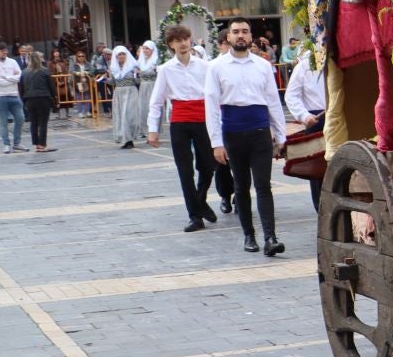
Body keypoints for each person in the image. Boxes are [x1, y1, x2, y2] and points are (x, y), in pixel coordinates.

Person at [205, 18, 287, 256]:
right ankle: (249, 235)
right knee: (241, 187)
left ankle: (270, 237)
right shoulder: (216, 67)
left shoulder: (262, 66)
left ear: (251, 36)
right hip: (233, 133)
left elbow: (273, 101)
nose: (240, 35)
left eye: (245, 31)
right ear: (228, 37)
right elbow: (211, 106)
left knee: (264, 186)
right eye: (236, 32)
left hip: (260, 132)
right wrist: (216, 143)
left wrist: (281, 135)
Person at [146, 25, 221, 232]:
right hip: (179, 120)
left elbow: (215, 96)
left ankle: (200, 199)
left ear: (190, 41)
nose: (183, 43)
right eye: (178, 40)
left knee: (208, 165)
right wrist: (153, 129)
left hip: (202, 118)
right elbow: (157, 100)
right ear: (171, 44)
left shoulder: (205, 66)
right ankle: (195, 215)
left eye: (186, 39)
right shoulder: (166, 69)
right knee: (185, 169)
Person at [285, 51, 329, 214]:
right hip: (316, 119)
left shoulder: (340, 58)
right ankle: (321, 209)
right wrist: (304, 115)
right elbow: (291, 96)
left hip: (339, 114)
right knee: (318, 166)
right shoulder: (305, 65)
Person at [108, 45, 147, 148]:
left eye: (123, 54)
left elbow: (138, 81)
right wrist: (103, 79)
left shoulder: (133, 66)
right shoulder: (113, 68)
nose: (121, 56)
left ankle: (130, 138)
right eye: (119, 54)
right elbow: (112, 82)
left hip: (131, 92)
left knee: (129, 115)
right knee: (121, 116)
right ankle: (126, 140)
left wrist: (138, 74)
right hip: (119, 94)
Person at [18, 53, 54, 153]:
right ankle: (43, 145)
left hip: (29, 99)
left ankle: (37, 145)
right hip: (43, 98)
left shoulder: (24, 72)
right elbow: (51, 86)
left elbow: (21, 88)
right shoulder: (45, 71)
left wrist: (24, 99)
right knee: (43, 122)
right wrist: (55, 99)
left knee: (33, 122)